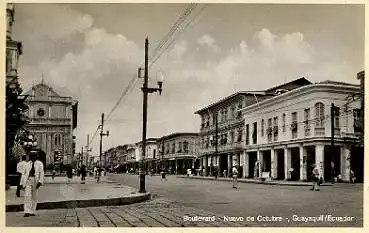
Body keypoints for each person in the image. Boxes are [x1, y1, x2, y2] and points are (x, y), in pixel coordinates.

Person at [20, 150, 44, 217]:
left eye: (34, 156)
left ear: (37, 156)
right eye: (31, 156)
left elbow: (41, 173)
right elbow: (23, 174)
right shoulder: (27, 164)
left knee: (34, 196)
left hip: (35, 181)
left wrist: (40, 181)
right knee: (27, 195)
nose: (33, 157)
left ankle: (32, 211)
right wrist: (21, 183)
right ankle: (27, 211)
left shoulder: (39, 164)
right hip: (28, 180)